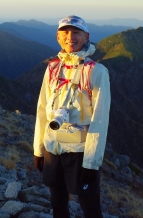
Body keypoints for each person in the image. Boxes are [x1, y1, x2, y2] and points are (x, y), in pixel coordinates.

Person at [33, 15, 111, 218]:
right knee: (57, 204)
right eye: (65, 32)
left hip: (80, 152)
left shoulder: (96, 72)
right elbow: (42, 110)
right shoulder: (52, 68)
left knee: (90, 208)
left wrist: (92, 164)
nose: (70, 37)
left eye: (76, 32)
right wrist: (38, 150)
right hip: (53, 148)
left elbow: (100, 120)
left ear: (86, 37)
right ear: (58, 37)